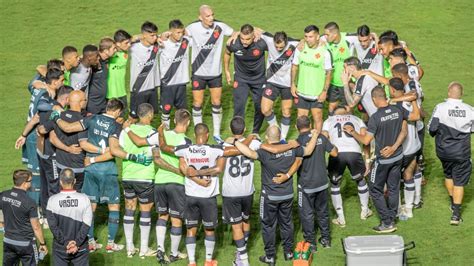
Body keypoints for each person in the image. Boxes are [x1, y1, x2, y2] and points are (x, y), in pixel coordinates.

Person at [235, 125, 319, 265]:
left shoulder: (264, 151)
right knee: (287, 223)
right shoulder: (290, 147)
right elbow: (309, 150)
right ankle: (289, 252)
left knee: (268, 226)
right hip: (287, 195)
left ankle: (270, 256)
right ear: (280, 136)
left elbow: (249, 153)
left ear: (267, 137)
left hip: (269, 196)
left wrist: (236, 142)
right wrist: (315, 135)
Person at [53, 99, 125, 252]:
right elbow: (114, 150)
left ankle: (91, 243)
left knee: (90, 208)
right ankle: (111, 244)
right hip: (108, 169)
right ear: (118, 112)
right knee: (114, 207)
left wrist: (57, 116)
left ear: (107, 108)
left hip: (90, 169)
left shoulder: (91, 119)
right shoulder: (117, 126)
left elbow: (67, 128)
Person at [123, 109, 192, 263]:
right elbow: (186, 166)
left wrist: (127, 129)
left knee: (162, 216)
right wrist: (179, 172)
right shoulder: (187, 142)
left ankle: (160, 248)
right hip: (177, 183)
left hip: (160, 181)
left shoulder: (160, 135)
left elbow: (156, 158)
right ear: (188, 123)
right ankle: (174, 253)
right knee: (176, 219)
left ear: (174, 120)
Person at [117, 103, 178, 258]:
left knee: (129, 209)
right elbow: (156, 155)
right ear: (150, 115)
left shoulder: (125, 132)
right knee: (145, 212)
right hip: (145, 177)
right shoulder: (153, 133)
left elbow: (122, 149)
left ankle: (130, 247)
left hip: (128, 175)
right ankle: (144, 248)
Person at [344, 86, 408, 233]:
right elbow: (404, 131)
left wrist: (353, 132)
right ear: (384, 96)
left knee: (375, 190)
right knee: (393, 188)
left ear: (374, 99)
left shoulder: (375, 118)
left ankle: (386, 223)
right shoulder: (398, 110)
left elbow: (366, 141)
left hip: (383, 160)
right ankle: (392, 216)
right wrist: (394, 147)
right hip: (398, 156)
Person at [15, 69, 64, 209]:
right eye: (61, 80)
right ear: (54, 82)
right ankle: (34, 211)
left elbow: (31, 84)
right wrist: (56, 109)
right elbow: (38, 115)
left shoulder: (38, 88)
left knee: (38, 174)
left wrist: (23, 135)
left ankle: (38, 209)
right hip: (35, 135)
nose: (63, 82)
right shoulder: (46, 94)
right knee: (37, 176)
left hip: (30, 133)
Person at [186, 5, 234, 141]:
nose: (211, 18)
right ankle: (198, 132)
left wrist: (232, 37)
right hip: (198, 73)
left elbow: (235, 32)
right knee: (197, 103)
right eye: (207, 16)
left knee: (217, 102)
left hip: (215, 73)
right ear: (200, 17)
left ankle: (217, 133)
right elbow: (176, 33)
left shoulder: (220, 26)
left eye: (212, 14)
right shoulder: (192, 28)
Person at [290, 116, 338, 250]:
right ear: (310, 124)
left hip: (306, 185)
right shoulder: (321, 138)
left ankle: (311, 243)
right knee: (323, 212)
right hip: (322, 183)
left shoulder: (297, 142)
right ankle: (326, 239)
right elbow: (334, 153)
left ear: (296, 127)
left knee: (307, 215)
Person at [428, 82, 473, 225]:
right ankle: (456, 214)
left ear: (449, 92)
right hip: (461, 152)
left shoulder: (440, 108)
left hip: (443, 151)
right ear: (461, 94)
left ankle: (453, 203)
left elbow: (432, 129)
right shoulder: (470, 110)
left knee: (448, 174)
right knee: (459, 181)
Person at [322, 107, 372, 227]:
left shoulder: (329, 121)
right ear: (347, 112)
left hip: (336, 153)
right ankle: (365, 210)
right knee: (361, 180)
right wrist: (367, 160)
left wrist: (323, 161)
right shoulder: (356, 119)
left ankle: (341, 218)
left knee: (335, 184)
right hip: (354, 153)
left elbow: (323, 140)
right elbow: (366, 140)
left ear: (334, 113)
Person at [221, 117, 261, 265]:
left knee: (236, 226)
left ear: (231, 130)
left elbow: (231, 150)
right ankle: (241, 251)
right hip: (247, 191)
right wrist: (251, 137)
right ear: (244, 129)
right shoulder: (255, 143)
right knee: (245, 219)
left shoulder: (224, 145)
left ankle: (243, 260)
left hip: (231, 193)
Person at [36, 86, 74, 227]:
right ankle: (52, 218)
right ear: (67, 98)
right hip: (51, 154)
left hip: (41, 152)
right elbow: (43, 129)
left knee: (45, 184)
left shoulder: (46, 109)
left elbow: (36, 122)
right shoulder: (57, 113)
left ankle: (45, 216)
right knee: (53, 186)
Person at [224, 24, 268, 135]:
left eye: (248, 39)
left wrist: (260, 30)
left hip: (259, 79)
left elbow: (277, 43)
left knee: (260, 106)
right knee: (239, 106)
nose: (244, 41)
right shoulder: (234, 43)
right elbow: (227, 53)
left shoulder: (261, 43)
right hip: (241, 78)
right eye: (242, 38)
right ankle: (238, 134)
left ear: (254, 36)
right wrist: (227, 71)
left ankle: (255, 132)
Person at [388, 78, 421, 220]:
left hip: (404, 148)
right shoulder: (410, 100)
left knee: (394, 179)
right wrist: (412, 99)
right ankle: (409, 208)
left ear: (392, 90)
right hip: (415, 146)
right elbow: (418, 112)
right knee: (409, 175)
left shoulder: (398, 106)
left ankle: (397, 210)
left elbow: (415, 116)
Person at [46, 168, 93, 266]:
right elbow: (87, 225)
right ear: (74, 181)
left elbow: (53, 227)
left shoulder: (52, 200)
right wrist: (76, 243)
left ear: (60, 182)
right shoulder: (85, 199)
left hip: (60, 247)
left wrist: (66, 243)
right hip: (81, 247)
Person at [1, 169, 48, 266]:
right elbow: (36, 227)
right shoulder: (29, 202)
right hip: (26, 244)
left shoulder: (3, 195)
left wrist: (1, 224)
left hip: (8, 241)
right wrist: (42, 244)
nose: (31, 183)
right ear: (24, 183)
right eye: (30, 181)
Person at [291, 25, 333, 133]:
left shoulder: (325, 52)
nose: (308, 39)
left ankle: (317, 143)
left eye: (311, 37)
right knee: (301, 119)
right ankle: (303, 142)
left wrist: (324, 91)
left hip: (317, 93)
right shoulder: (300, 49)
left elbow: (329, 73)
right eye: (306, 36)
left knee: (317, 118)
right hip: (302, 92)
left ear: (318, 37)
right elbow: (294, 66)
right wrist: (293, 84)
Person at [259, 31, 299, 139]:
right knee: (265, 109)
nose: (278, 49)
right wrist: (235, 34)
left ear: (286, 42)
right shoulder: (268, 39)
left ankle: (283, 138)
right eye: (276, 47)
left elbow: (307, 41)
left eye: (281, 47)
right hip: (272, 82)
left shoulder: (294, 44)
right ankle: (275, 128)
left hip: (287, 84)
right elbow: (256, 30)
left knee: (286, 111)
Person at [50, 90, 87, 191]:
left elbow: (52, 139)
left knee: (62, 193)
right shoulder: (83, 121)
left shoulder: (59, 116)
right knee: (77, 195)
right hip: (77, 166)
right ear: (81, 102)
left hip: (60, 164)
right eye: (85, 100)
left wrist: (66, 149)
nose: (86, 101)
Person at [159, 19, 190, 128]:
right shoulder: (163, 43)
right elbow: (148, 41)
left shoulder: (186, 42)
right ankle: (165, 133)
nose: (180, 35)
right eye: (177, 32)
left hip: (181, 83)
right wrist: (161, 35)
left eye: (182, 32)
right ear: (170, 31)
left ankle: (180, 133)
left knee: (182, 111)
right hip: (168, 83)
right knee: (166, 110)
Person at [323, 22, 358, 114]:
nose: (325, 37)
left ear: (335, 34)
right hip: (333, 82)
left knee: (348, 108)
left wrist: (374, 35)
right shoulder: (324, 41)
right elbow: (310, 39)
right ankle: (331, 126)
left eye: (327, 34)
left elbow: (365, 35)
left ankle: (350, 125)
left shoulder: (348, 38)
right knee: (331, 107)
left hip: (346, 81)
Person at [129, 21, 161, 118]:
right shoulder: (134, 47)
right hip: (138, 89)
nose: (155, 38)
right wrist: (137, 37)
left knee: (150, 117)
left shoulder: (156, 46)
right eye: (152, 35)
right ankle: (126, 132)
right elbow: (120, 43)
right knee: (134, 118)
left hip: (152, 89)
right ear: (144, 35)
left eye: (155, 35)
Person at [86, 37, 116, 114]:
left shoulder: (106, 59)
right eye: (114, 49)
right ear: (106, 51)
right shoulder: (93, 61)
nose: (116, 50)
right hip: (93, 103)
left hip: (103, 102)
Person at [108, 29, 132, 120]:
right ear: (117, 44)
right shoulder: (110, 55)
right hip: (111, 94)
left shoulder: (124, 53)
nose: (129, 45)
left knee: (121, 118)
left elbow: (135, 38)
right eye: (126, 43)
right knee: (111, 119)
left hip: (122, 92)